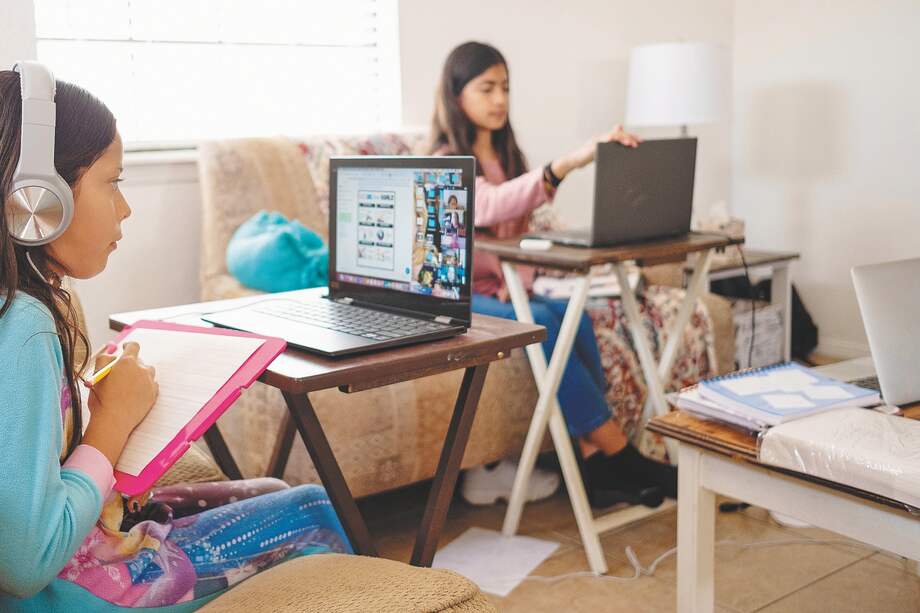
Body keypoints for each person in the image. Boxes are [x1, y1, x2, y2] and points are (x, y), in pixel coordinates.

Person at [0, 64, 350, 611]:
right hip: (65, 587)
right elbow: (25, 559)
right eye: (112, 182)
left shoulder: (35, 295)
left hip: (78, 544)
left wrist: (101, 409)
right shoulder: (22, 323)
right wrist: (112, 425)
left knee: (275, 492)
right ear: (38, 198)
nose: (125, 207)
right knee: (311, 511)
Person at [430, 42, 677, 507]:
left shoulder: (506, 155)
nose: (500, 99)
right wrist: (568, 163)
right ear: (456, 95)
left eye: (505, 88)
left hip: (498, 288)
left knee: (571, 315)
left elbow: (514, 236)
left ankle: (591, 460)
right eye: (486, 88)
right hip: (454, 297)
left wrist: (516, 282)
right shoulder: (445, 158)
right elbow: (487, 205)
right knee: (541, 326)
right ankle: (620, 454)